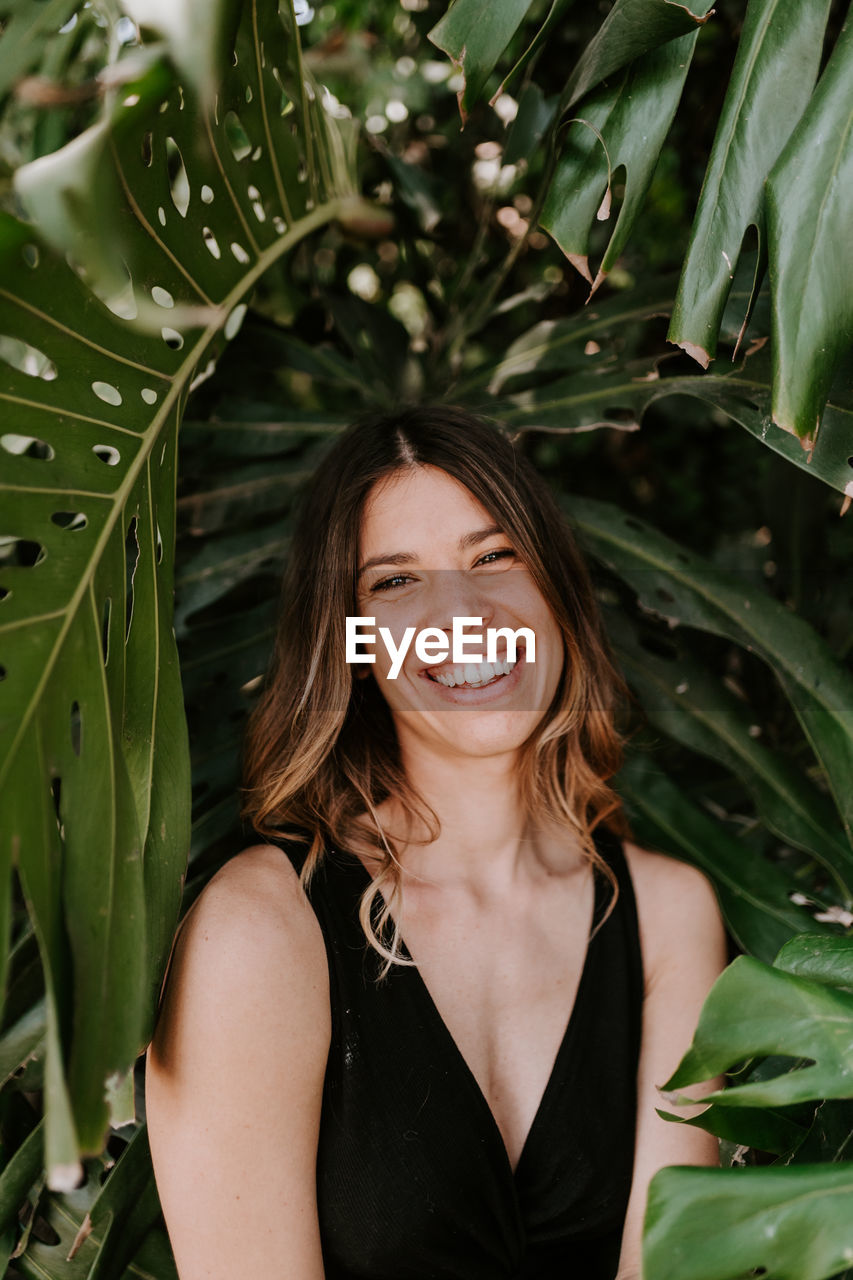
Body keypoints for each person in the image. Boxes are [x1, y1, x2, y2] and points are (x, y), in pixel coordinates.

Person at [145, 405, 727, 1280]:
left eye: (494, 557)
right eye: (394, 583)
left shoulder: (669, 920)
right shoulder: (260, 934)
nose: (461, 612)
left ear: (558, 591)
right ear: (350, 643)